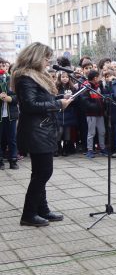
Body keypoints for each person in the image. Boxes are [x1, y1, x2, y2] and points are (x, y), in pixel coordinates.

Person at [14, 42, 74, 226]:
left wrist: (58, 99)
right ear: (35, 57)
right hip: (36, 131)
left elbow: (40, 100)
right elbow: (29, 105)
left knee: (39, 172)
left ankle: (42, 209)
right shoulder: (25, 78)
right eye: (46, 58)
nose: (48, 61)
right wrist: (58, 105)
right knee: (43, 173)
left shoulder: (36, 76)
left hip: (42, 129)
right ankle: (28, 214)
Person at [81, 70, 107, 158]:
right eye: (99, 77)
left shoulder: (99, 86)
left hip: (100, 113)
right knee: (91, 132)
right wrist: (95, 106)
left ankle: (102, 148)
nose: (100, 79)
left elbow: (103, 97)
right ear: (95, 78)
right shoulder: (86, 87)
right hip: (91, 114)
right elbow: (84, 100)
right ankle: (90, 150)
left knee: (102, 131)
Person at [54, 71, 78, 157]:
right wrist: (62, 97)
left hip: (69, 112)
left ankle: (66, 148)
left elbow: (76, 99)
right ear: (60, 78)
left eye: (66, 77)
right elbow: (53, 98)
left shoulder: (72, 88)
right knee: (59, 131)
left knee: (67, 131)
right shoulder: (56, 87)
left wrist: (72, 99)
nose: (65, 79)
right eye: (63, 77)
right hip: (59, 112)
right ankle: (57, 147)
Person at [0, 63, 19, 167]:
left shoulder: (12, 80)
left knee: (12, 138)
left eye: (4, 65)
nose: (2, 68)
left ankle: (13, 159)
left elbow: (18, 96)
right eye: (0, 66)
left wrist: (10, 99)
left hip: (11, 114)